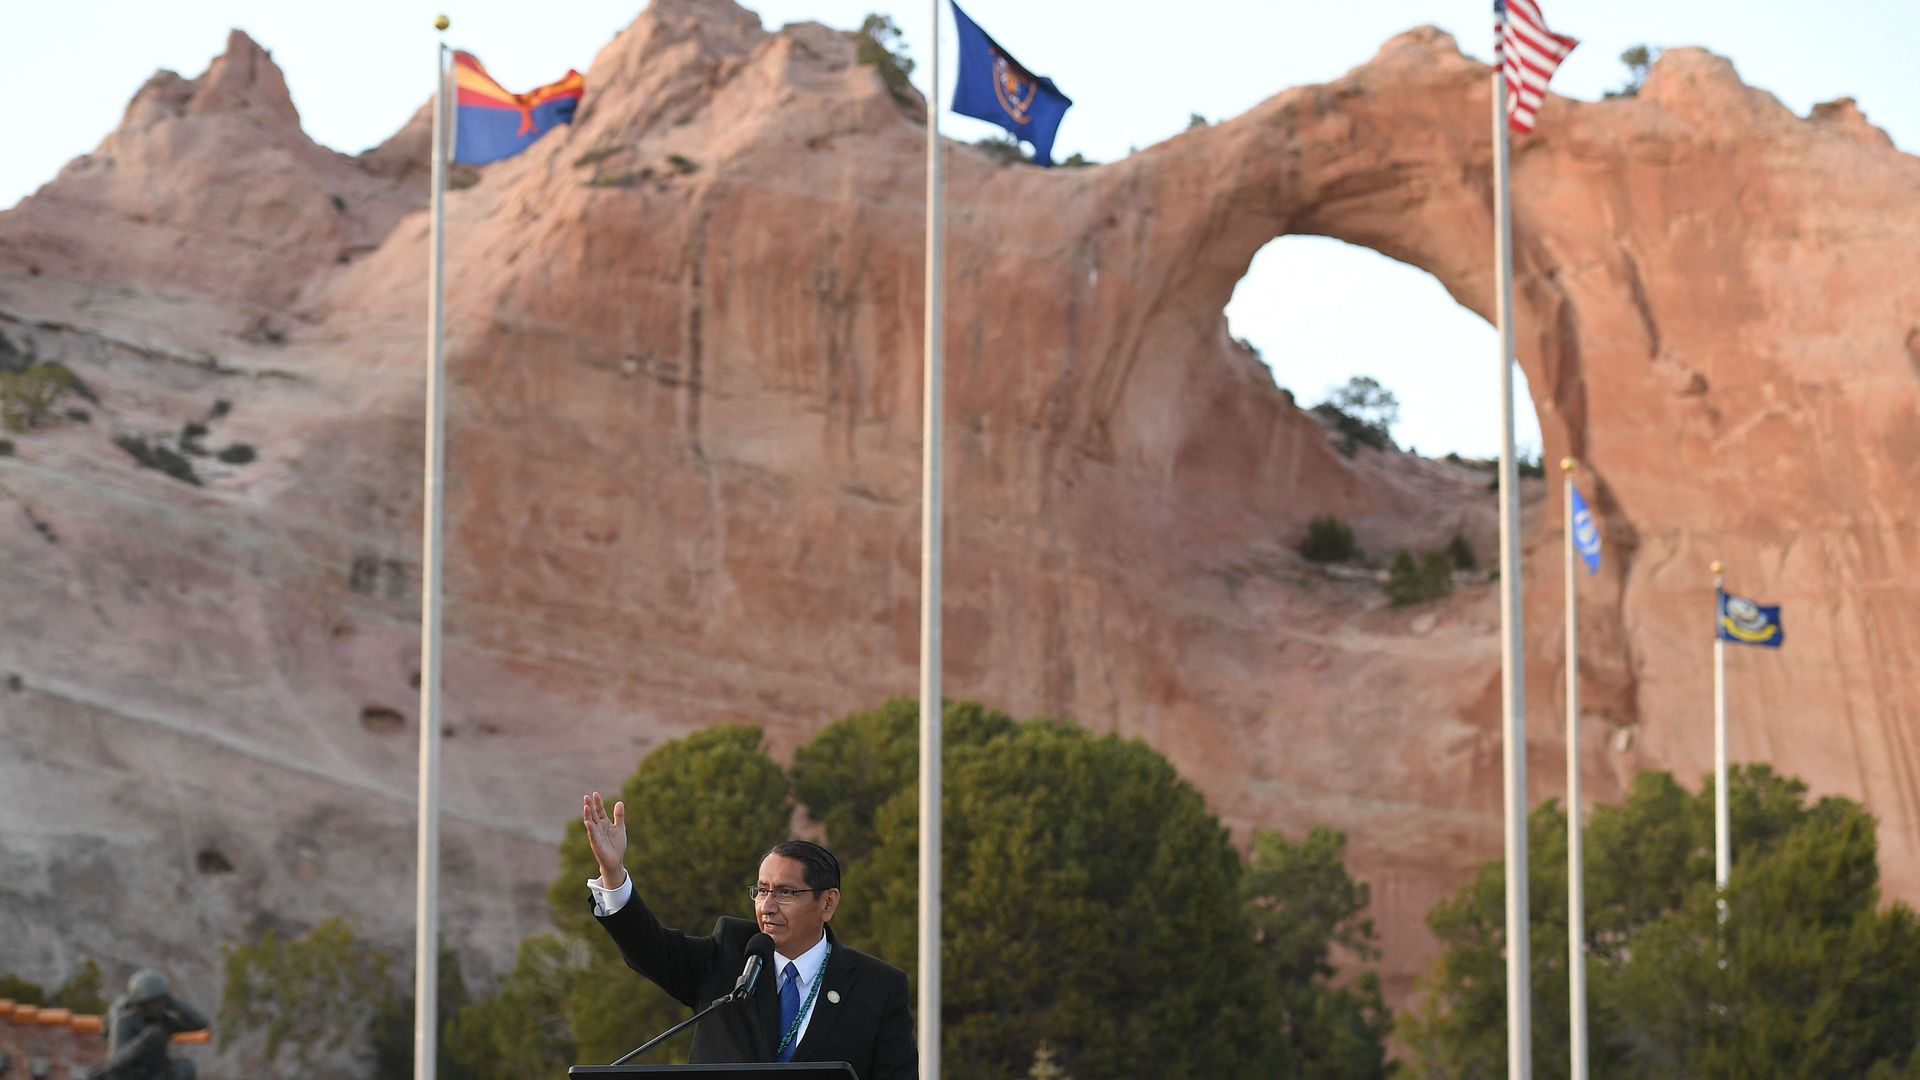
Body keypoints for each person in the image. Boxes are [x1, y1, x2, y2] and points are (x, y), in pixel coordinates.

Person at [580, 790, 917, 1078]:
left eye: (785, 892)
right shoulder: (727, 956)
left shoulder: (878, 987)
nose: (766, 906)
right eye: (761, 890)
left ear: (827, 903)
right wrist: (614, 873)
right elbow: (648, 947)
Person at [93, 970, 209, 1080]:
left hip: (155, 1074)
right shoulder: (125, 1021)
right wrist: (143, 1041)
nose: (158, 1007)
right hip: (130, 1075)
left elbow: (201, 1024)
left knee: (185, 1066)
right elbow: (114, 1062)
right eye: (153, 1003)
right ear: (141, 1004)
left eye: (161, 1001)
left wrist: (173, 1003)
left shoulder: (164, 1021)